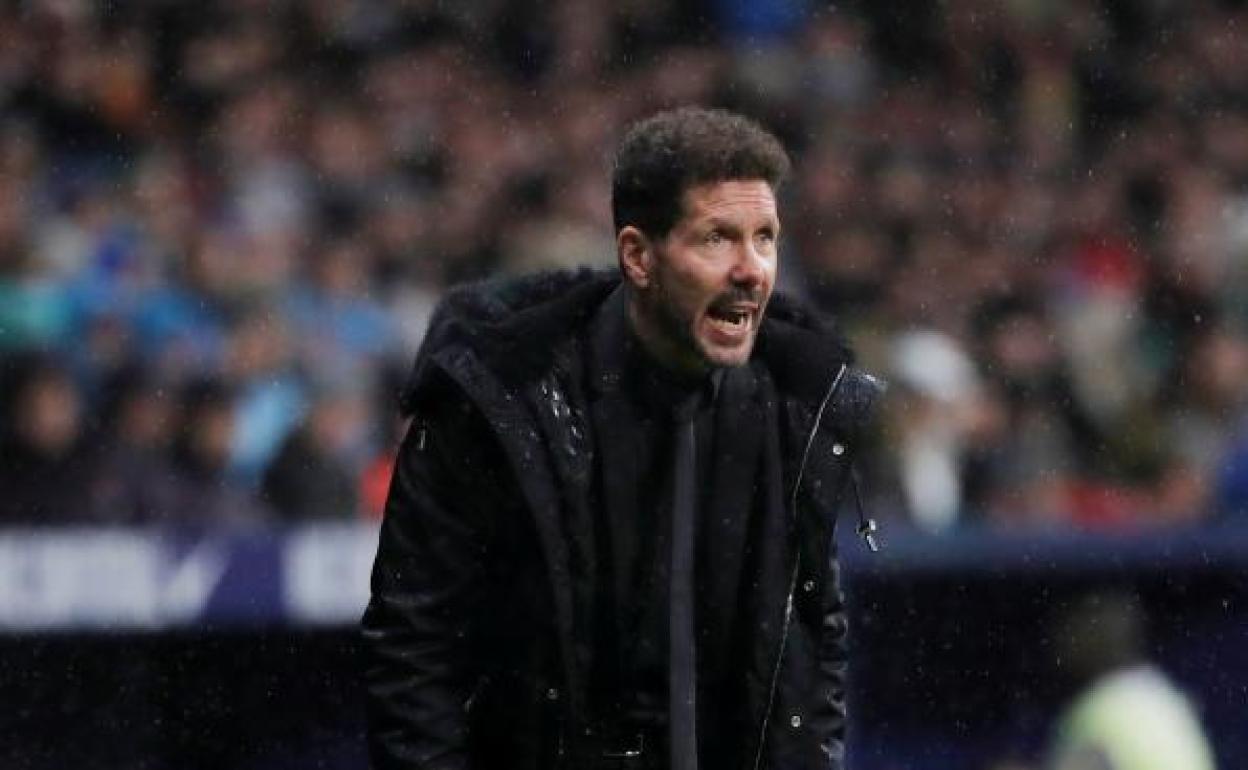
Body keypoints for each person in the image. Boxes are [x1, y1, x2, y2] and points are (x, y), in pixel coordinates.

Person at [361, 107, 883, 770]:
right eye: (717, 238)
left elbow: (813, 642)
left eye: (765, 238)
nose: (752, 269)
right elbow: (415, 650)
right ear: (638, 255)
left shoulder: (792, 408)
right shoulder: (497, 401)